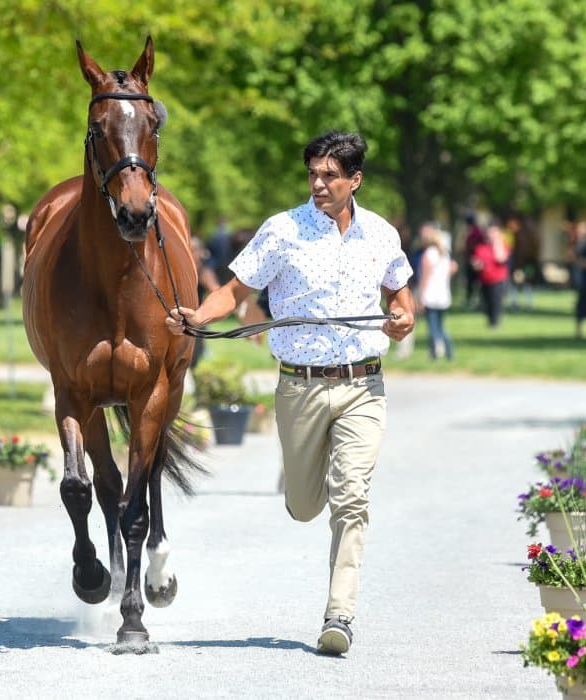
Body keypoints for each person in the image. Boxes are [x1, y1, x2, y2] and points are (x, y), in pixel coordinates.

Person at [166, 131, 414, 656]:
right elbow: (235, 291)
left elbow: (399, 293)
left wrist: (403, 317)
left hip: (364, 384)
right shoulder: (282, 230)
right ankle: (314, 485)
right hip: (300, 386)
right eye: (313, 174)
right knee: (304, 506)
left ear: (355, 180)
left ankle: (339, 615)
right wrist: (197, 316)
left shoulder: (381, 233)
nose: (318, 184)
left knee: (352, 497)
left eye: (330, 175)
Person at [418, 224, 457, 360]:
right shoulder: (444, 254)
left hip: (431, 295)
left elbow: (425, 277)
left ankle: (434, 352)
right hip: (443, 295)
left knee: (433, 327)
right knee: (441, 326)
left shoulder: (428, 254)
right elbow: (452, 269)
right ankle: (449, 352)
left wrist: (421, 296)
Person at [470, 222, 509, 328]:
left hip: (498, 280)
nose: (491, 235)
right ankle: (490, 322)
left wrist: (497, 242)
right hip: (484, 280)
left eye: (494, 232)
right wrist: (477, 265)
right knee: (486, 302)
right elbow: (476, 263)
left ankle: (494, 323)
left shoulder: (502, 246)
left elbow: (501, 259)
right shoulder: (480, 247)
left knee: (495, 302)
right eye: (490, 232)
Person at [463, 213, 484, 310]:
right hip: (471, 258)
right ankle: (471, 300)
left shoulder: (475, 232)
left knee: (474, 282)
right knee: (471, 282)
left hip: (474, 259)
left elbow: (476, 245)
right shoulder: (472, 231)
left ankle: (476, 301)